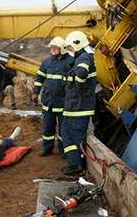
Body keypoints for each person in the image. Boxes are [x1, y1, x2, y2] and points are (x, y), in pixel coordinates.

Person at [60, 31, 97, 176]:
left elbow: (81, 73)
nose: (69, 50)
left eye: (70, 47)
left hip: (79, 107)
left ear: (77, 43)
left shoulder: (84, 57)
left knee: (76, 136)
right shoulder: (81, 57)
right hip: (74, 107)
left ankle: (77, 165)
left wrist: (80, 87)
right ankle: (73, 163)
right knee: (67, 134)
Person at [33, 37, 74, 156]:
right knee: (47, 128)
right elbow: (39, 78)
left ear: (62, 49)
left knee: (63, 130)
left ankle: (63, 151)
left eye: (55, 48)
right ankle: (47, 149)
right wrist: (35, 92)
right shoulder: (46, 62)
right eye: (51, 48)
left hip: (63, 104)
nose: (52, 50)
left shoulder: (71, 62)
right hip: (48, 102)